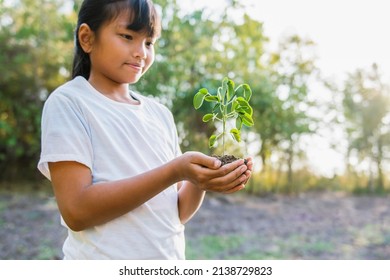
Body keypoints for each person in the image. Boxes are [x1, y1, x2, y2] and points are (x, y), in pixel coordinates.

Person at [38, 0, 253, 260]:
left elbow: (176, 213)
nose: (141, 52)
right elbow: (77, 211)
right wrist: (175, 170)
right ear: (87, 38)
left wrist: (199, 181)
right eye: (127, 36)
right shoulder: (71, 103)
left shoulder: (159, 114)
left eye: (149, 42)